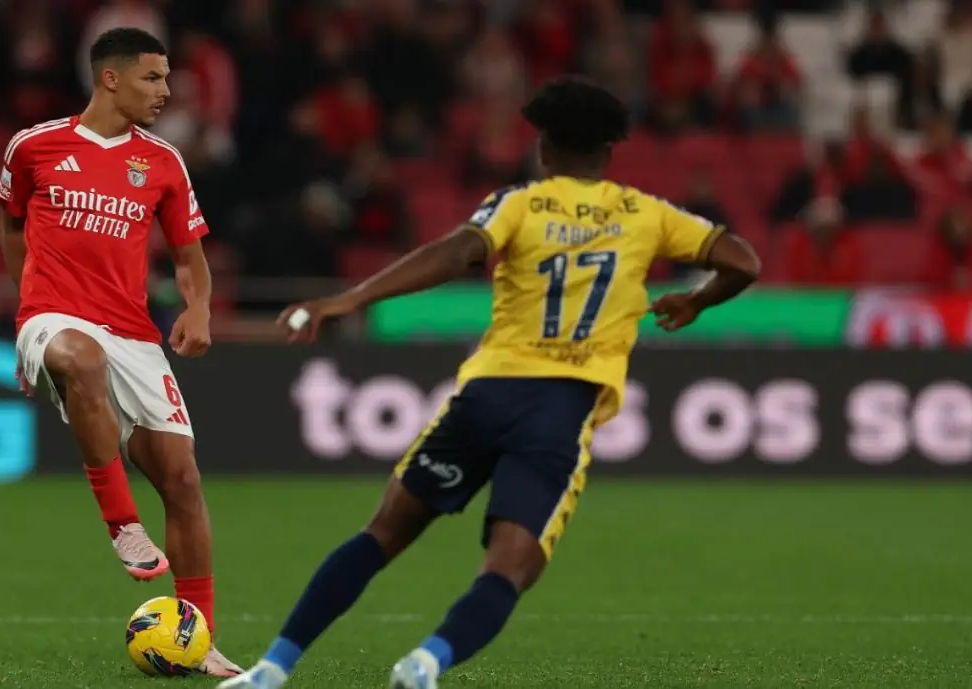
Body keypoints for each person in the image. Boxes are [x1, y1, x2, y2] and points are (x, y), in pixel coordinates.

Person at [219, 76, 762, 689]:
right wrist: (696, 300)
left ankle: (271, 668)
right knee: (511, 567)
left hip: (487, 393)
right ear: (610, 152)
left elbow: (456, 252)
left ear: (545, 150)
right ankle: (426, 663)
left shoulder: (520, 204)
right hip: (560, 408)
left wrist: (350, 299)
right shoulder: (648, 214)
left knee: (382, 533)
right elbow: (744, 260)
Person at [0, 27, 241, 677]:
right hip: (53, 318)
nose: (166, 91)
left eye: (166, 79)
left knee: (183, 480)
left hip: (133, 331)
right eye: (154, 78)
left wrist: (198, 307)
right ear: (111, 78)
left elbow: (189, 256)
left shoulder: (163, 162)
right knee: (80, 359)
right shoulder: (35, 146)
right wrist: (26, 314)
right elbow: (11, 222)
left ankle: (198, 634)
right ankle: (123, 525)